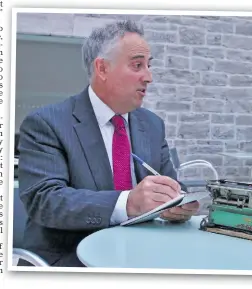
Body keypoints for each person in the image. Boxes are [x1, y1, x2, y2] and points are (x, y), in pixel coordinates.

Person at [17, 20, 199, 267]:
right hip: (72, 260)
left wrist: (177, 203)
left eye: (148, 65)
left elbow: (171, 185)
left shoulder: (153, 125)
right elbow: (46, 201)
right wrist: (128, 203)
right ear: (102, 68)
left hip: (145, 256)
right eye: (137, 65)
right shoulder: (46, 124)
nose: (149, 77)